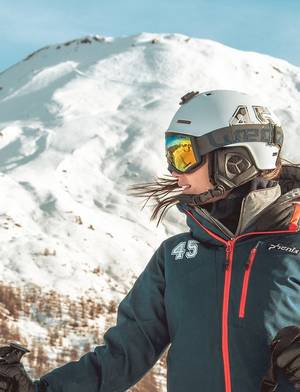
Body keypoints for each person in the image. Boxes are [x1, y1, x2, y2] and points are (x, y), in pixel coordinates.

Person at [1, 89, 300, 392]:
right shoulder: (175, 258)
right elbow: (122, 356)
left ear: (235, 159)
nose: (173, 170)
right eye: (171, 155)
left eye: (183, 154)